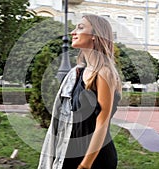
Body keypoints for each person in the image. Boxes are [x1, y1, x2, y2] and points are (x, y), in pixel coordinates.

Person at [38, 14, 122, 169]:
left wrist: (85, 164)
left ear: (95, 36)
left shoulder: (103, 73)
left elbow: (102, 124)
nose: (73, 32)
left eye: (81, 27)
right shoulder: (78, 73)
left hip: (94, 159)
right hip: (70, 153)